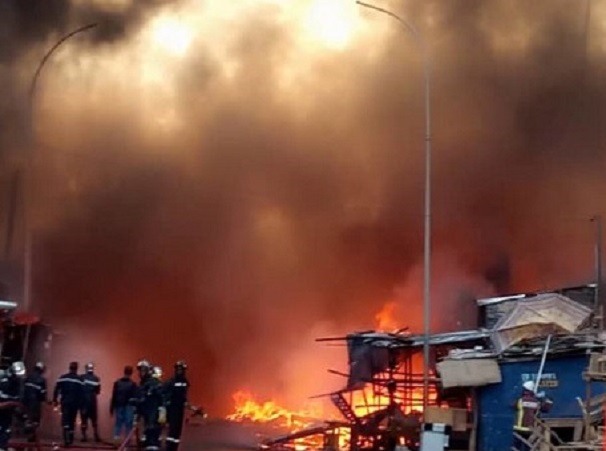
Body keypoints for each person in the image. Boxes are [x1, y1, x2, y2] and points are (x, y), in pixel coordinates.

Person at [513, 381, 553, 450]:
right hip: (531, 429)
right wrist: (548, 401)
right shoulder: (537, 402)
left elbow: (513, 406)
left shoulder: (520, 400)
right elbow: (545, 409)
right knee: (528, 447)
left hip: (518, 429)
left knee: (517, 448)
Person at [135, 360, 165, 451]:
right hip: (147, 416)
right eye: (140, 370)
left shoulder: (153, 382)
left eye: (143, 370)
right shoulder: (143, 383)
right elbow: (141, 399)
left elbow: (160, 396)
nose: (141, 373)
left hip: (153, 416)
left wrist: (161, 410)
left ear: (148, 371)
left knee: (152, 435)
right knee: (147, 435)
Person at [53, 362, 83, 447]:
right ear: (76, 368)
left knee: (65, 421)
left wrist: (55, 400)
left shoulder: (63, 378)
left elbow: (56, 389)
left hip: (65, 402)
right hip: (75, 403)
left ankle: (66, 439)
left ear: (69, 368)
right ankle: (70, 439)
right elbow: (82, 394)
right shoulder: (80, 380)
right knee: (72, 421)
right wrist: (81, 405)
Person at [0, 362, 27, 451]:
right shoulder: (2, 379)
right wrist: (11, 403)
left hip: (6, 416)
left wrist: (23, 417)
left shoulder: (17, 385)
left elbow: (17, 404)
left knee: (5, 433)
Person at [163, 361, 189, 451]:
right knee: (172, 428)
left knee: (178, 429)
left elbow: (184, 394)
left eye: (181, 369)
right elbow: (165, 392)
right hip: (173, 408)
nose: (179, 371)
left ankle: (175, 447)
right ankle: (169, 447)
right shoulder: (171, 381)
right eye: (178, 369)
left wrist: (185, 402)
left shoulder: (185, 382)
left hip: (180, 408)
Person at [110, 365, 138, 442]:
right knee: (128, 424)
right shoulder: (133, 384)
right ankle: (127, 441)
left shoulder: (117, 383)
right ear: (131, 373)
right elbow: (135, 397)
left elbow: (114, 395)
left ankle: (116, 440)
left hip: (119, 405)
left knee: (118, 423)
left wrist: (111, 408)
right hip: (128, 406)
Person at [22, 361, 48, 442]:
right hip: (35, 401)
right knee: (36, 419)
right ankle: (32, 434)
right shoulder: (41, 380)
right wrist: (44, 400)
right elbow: (42, 393)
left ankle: (27, 429)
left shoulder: (28, 377)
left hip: (25, 400)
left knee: (26, 416)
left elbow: (22, 389)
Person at [80, 362, 101, 442]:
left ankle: (84, 437)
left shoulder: (81, 377)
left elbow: (79, 389)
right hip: (93, 401)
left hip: (84, 401)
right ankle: (96, 436)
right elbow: (98, 391)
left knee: (84, 419)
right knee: (94, 420)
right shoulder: (96, 378)